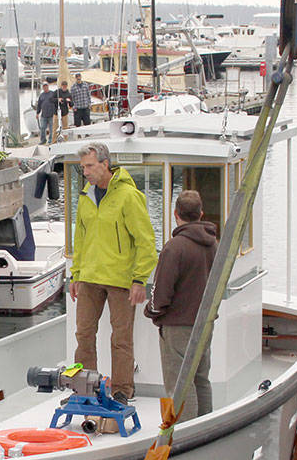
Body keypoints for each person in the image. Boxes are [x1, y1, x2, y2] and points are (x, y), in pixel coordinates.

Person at [68, 142, 157, 403]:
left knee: (120, 338)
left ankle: (122, 390)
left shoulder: (128, 196)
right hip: (89, 278)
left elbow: (145, 241)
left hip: (120, 279)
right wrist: (76, 274)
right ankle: (84, 387)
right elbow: (80, 238)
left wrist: (139, 279)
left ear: (105, 165)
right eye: (83, 166)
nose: (85, 171)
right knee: (83, 333)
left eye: (90, 166)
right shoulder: (86, 195)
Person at [145, 189, 218, 419]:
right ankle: (205, 424)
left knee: (179, 384)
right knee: (200, 378)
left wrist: (152, 311)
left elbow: (161, 291)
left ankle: (186, 432)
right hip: (205, 322)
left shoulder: (174, 247)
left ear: (176, 214)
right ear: (201, 213)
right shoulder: (213, 244)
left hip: (178, 325)